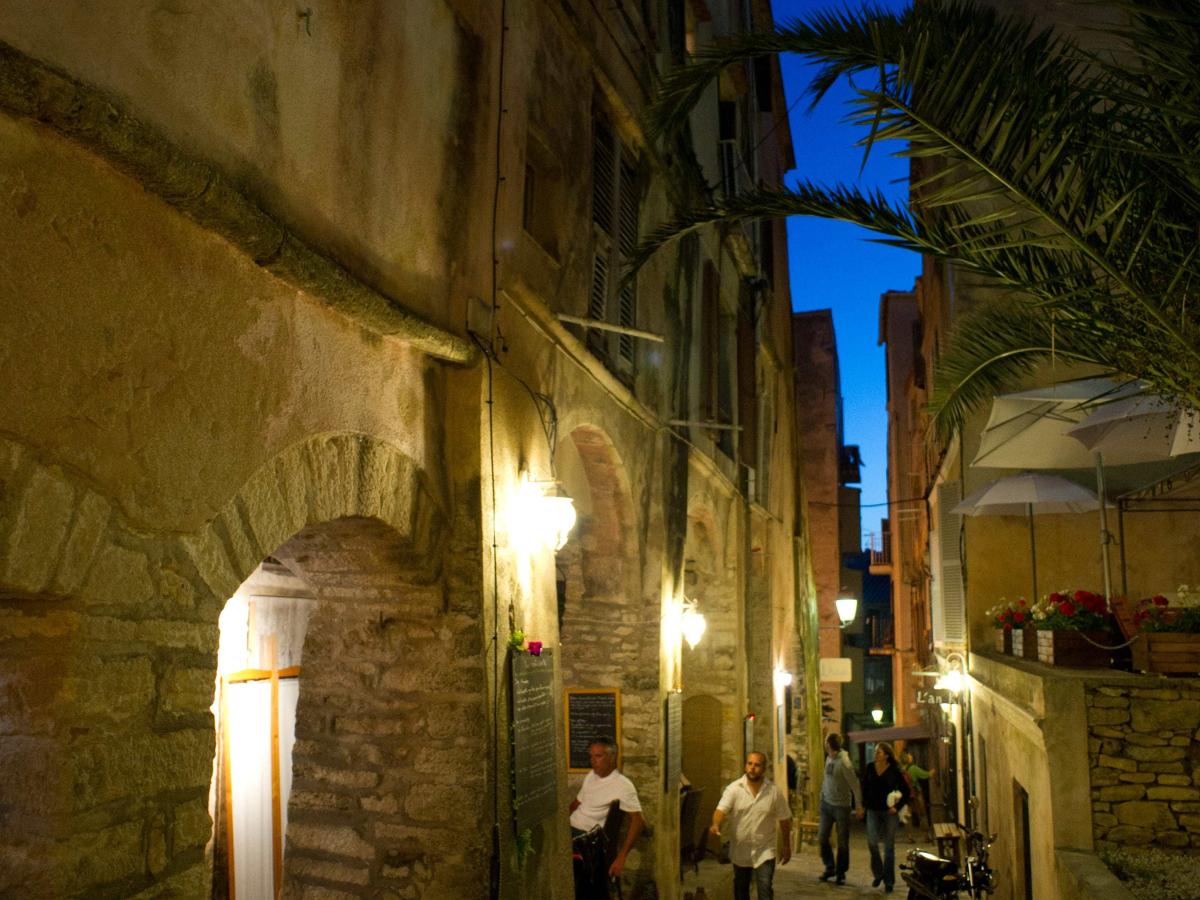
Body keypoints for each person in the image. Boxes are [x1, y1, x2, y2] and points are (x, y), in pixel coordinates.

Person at [710, 751, 792, 900]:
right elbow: (721, 810)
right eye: (750, 764)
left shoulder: (774, 792)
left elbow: (785, 819)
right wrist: (716, 824)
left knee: (765, 888)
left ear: (764, 768)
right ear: (745, 766)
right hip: (741, 849)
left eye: (757, 765)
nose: (752, 768)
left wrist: (787, 845)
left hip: (765, 850)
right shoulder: (734, 789)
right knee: (741, 891)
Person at [569, 738, 645, 880]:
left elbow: (638, 821)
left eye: (598, 756)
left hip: (586, 838)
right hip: (571, 829)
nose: (593, 761)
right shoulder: (591, 776)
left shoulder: (623, 785)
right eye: (591, 756)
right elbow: (575, 804)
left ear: (612, 757)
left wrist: (622, 856)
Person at [859, 742, 910, 894]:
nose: (875, 755)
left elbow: (906, 791)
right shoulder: (869, 768)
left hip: (889, 813)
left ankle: (889, 881)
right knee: (872, 843)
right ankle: (878, 873)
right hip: (873, 811)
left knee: (889, 848)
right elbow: (864, 788)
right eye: (875, 752)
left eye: (879, 752)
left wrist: (897, 807)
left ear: (886, 755)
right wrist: (862, 805)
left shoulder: (894, 770)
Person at [817, 733, 860, 885]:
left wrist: (859, 805)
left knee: (842, 842)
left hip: (841, 806)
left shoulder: (845, 763)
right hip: (826, 804)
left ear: (829, 744)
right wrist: (822, 796)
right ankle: (830, 867)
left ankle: (841, 872)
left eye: (826, 742)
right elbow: (826, 779)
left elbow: (855, 785)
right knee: (822, 837)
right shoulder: (828, 758)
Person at [900, 751, 935, 843]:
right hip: (915, 794)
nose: (911, 757)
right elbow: (926, 775)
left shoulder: (901, 770)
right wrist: (932, 771)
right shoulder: (913, 768)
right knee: (922, 814)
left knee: (907, 816)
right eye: (910, 756)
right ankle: (926, 836)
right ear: (908, 759)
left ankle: (910, 837)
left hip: (905, 796)